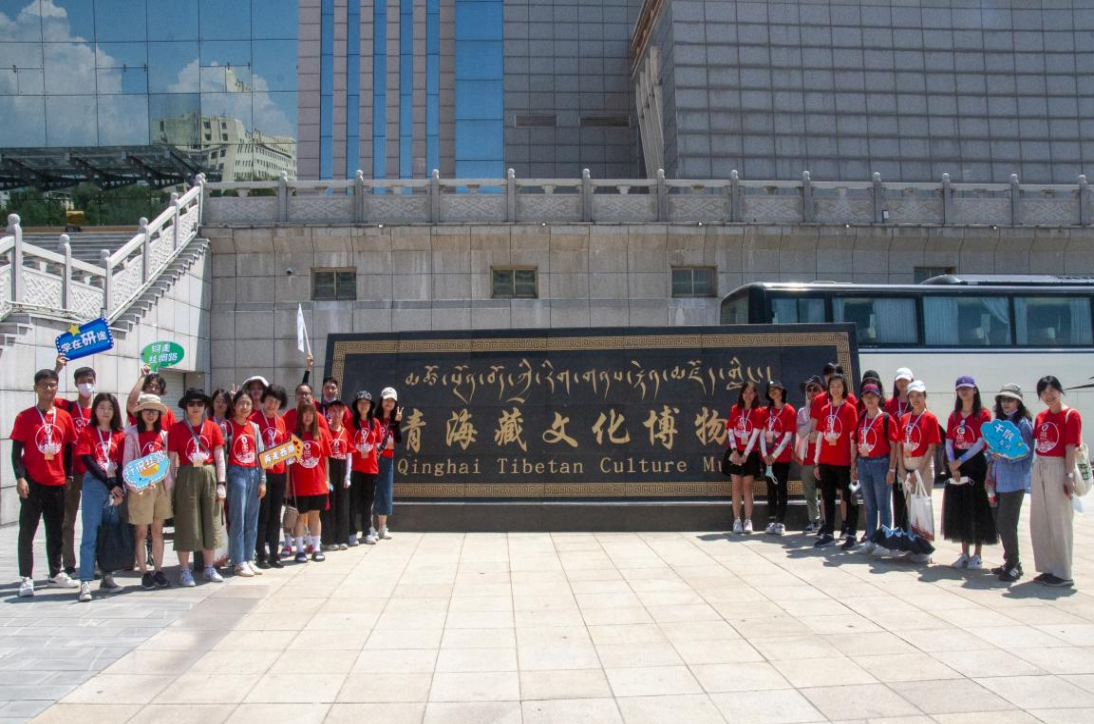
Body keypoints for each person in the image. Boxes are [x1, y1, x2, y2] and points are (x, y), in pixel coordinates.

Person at [11, 369, 80, 597]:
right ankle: (26, 577)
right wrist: (20, 477)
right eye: (44, 385)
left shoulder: (64, 417)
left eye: (52, 384)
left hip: (57, 482)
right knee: (27, 530)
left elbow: (68, 449)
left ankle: (55, 573)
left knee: (55, 530)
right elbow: (16, 452)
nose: (48, 388)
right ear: (36, 388)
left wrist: (69, 475)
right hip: (33, 482)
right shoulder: (25, 417)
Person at [167, 388, 226, 587]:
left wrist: (221, 483)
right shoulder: (176, 429)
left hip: (208, 473)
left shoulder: (213, 427)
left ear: (205, 406)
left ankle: (209, 567)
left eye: (199, 404)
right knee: (186, 522)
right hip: (186, 474)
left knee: (211, 521)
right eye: (191, 404)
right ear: (185, 407)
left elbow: (219, 458)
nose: (195, 407)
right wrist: (170, 486)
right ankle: (185, 570)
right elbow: (171, 460)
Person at [74, 393, 127, 602]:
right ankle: (86, 579)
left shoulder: (120, 434)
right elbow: (87, 460)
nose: (106, 411)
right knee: (91, 532)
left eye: (110, 408)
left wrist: (119, 488)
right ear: (95, 410)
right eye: (102, 407)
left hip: (114, 486)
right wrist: (109, 484)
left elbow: (121, 463)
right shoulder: (87, 431)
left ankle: (107, 576)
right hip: (95, 484)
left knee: (109, 532)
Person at [1030, 375, 1080, 587]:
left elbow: (1070, 448)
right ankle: (1048, 568)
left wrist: (1068, 476)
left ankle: (1063, 572)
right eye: (1043, 392)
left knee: (1060, 520)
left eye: (1052, 391)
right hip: (1040, 466)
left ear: (1060, 391)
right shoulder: (1041, 416)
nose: (1048, 396)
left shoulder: (1071, 415)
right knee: (1040, 520)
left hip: (1058, 467)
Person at [943, 376, 997, 570]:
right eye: (960, 389)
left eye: (967, 388)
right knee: (960, 508)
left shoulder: (983, 414)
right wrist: (952, 463)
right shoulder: (954, 416)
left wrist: (961, 460)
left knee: (977, 509)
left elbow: (981, 442)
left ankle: (977, 555)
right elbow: (949, 441)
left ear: (974, 390)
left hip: (975, 465)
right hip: (957, 464)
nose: (964, 392)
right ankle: (964, 553)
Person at [124, 394, 173, 590]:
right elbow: (127, 464)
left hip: (161, 487)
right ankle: (144, 572)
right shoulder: (132, 434)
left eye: (154, 410)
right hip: (140, 489)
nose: (151, 414)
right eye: (147, 410)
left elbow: (169, 462)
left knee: (158, 530)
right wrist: (138, 485)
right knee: (141, 532)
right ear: (140, 412)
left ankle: (159, 570)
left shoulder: (164, 435)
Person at [52, 355, 95, 578]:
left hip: (94, 472)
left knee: (93, 520)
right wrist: (57, 369)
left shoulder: (100, 409)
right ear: (76, 384)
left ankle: (94, 562)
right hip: (71, 471)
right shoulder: (67, 407)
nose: (86, 384)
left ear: (95, 383)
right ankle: (68, 563)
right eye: (82, 381)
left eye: (89, 380)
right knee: (67, 519)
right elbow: (46, 393)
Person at [989, 384, 1034, 583]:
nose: (1006, 403)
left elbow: (1025, 452)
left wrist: (1005, 454)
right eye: (1003, 400)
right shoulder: (999, 423)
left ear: (1019, 402)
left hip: (1015, 481)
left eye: (1010, 400)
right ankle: (1010, 561)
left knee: (1007, 522)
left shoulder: (1023, 424)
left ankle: (1014, 564)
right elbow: (990, 449)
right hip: (998, 480)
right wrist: (990, 466)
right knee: (999, 521)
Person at [813, 374, 859, 549]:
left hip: (844, 462)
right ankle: (829, 533)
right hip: (826, 461)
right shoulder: (825, 409)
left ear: (844, 388)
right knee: (828, 498)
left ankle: (851, 534)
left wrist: (853, 463)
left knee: (849, 498)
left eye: (839, 386)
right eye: (832, 386)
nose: (836, 389)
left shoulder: (850, 409)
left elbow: (853, 438)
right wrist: (817, 461)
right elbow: (820, 436)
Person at [224, 391, 267, 577]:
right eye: (241, 403)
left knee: (252, 519)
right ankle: (238, 561)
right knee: (238, 519)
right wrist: (223, 482)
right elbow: (222, 455)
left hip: (254, 472)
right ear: (234, 406)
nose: (244, 407)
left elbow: (261, 454)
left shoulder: (255, 427)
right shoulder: (227, 426)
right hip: (236, 473)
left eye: (248, 403)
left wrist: (263, 480)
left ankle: (249, 558)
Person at [898, 379, 940, 564]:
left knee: (923, 506)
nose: (915, 399)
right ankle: (915, 545)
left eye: (919, 396)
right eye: (912, 396)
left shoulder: (930, 418)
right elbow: (900, 445)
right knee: (911, 508)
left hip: (923, 466)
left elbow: (931, 447)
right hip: (907, 465)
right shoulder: (904, 418)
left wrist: (918, 472)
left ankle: (926, 547)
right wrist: (901, 468)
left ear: (924, 397)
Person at [856, 383, 899, 552]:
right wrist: (854, 465)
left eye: (873, 396)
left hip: (881, 464)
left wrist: (892, 469)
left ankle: (885, 541)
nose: (869, 399)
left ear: (879, 398)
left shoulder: (886, 418)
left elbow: (894, 446)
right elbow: (856, 442)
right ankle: (871, 540)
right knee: (869, 505)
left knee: (883, 505)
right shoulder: (861, 417)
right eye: (866, 396)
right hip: (863, 463)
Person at [288, 401, 331, 562]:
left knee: (315, 516)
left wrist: (327, 480)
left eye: (310, 413)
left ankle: (316, 548)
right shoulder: (293, 435)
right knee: (300, 517)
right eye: (304, 413)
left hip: (318, 484)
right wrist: (287, 486)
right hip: (299, 484)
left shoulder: (321, 434)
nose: (307, 416)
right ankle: (299, 550)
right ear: (299, 415)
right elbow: (288, 463)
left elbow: (325, 459)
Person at [255, 385, 289, 568]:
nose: (272, 405)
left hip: (279, 473)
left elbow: (284, 447)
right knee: (263, 515)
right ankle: (261, 554)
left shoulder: (280, 421)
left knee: (276, 516)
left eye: (276, 402)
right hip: (262, 474)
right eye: (269, 400)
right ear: (264, 399)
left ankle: (275, 554)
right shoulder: (254, 420)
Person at [725, 381, 762, 534]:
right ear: (741, 394)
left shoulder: (758, 412)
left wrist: (746, 454)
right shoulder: (735, 409)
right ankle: (737, 520)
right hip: (735, 452)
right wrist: (735, 451)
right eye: (745, 392)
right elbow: (730, 430)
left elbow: (755, 435)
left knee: (748, 487)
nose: (748, 395)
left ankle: (748, 520)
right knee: (736, 487)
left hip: (750, 454)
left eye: (751, 392)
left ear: (755, 394)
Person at [760, 381, 795, 536]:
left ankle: (780, 522)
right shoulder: (765, 411)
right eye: (771, 390)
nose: (774, 392)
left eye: (776, 389)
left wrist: (774, 455)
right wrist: (765, 455)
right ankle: (771, 520)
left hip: (782, 457)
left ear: (782, 391)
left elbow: (787, 437)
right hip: (767, 458)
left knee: (781, 488)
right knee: (771, 489)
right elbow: (761, 434)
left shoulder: (789, 410)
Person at [321, 399, 353, 550]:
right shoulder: (324, 431)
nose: (337, 414)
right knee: (329, 504)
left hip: (342, 469)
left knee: (343, 503)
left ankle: (342, 538)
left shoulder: (346, 432)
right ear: (329, 412)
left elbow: (349, 455)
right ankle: (329, 540)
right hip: (329, 469)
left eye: (340, 411)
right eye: (333, 410)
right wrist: (325, 477)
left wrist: (348, 475)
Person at [350, 390, 380, 546]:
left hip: (370, 468)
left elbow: (378, 443)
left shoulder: (375, 423)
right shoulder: (349, 422)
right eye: (360, 403)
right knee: (353, 501)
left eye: (366, 403)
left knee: (368, 502)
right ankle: (351, 532)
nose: (363, 406)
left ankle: (367, 531)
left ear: (370, 406)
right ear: (356, 405)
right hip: (355, 468)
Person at [886, 368, 914, 530]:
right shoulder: (890, 404)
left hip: (912, 454)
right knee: (898, 494)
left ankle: (915, 530)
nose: (903, 383)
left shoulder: (916, 401)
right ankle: (900, 529)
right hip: (896, 454)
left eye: (906, 380)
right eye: (900, 380)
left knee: (914, 494)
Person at [795, 376, 824, 533]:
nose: (812, 392)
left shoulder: (827, 409)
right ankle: (814, 520)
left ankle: (826, 521)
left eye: (815, 389)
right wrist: (814, 423)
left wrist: (813, 427)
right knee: (809, 491)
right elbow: (801, 432)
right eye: (809, 389)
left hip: (824, 456)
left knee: (826, 491)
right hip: (807, 457)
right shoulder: (802, 412)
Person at [373, 388, 403, 541]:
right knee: (371, 492)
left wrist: (397, 423)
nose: (389, 403)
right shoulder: (374, 419)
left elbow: (398, 439)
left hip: (387, 459)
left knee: (385, 492)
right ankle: (370, 527)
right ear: (381, 401)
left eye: (392, 400)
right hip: (372, 460)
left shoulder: (394, 420)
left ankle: (382, 527)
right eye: (386, 399)